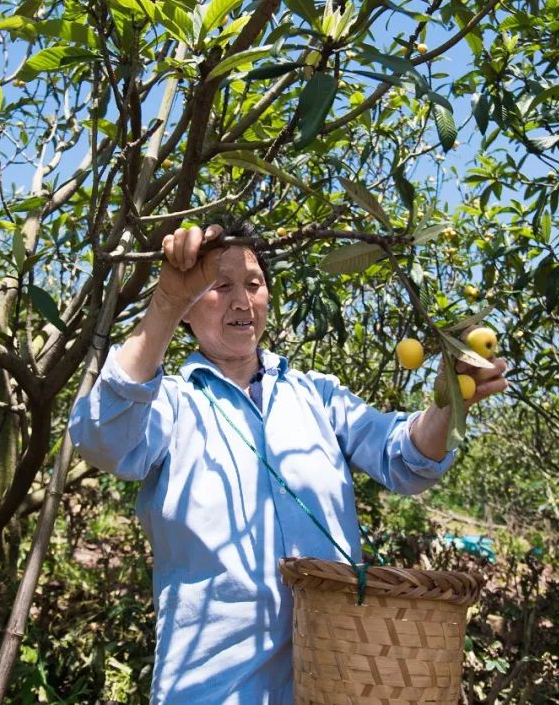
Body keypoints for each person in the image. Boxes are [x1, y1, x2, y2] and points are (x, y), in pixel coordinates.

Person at [67, 221, 509, 705]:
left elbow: (402, 457)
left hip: (337, 680)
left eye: (254, 284)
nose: (242, 301)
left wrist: (451, 402)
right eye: (220, 286)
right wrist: (165, 304)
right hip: (212, 689)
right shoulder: (171, 404)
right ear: (189, 312)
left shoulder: (316, 394)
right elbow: (101, 438)